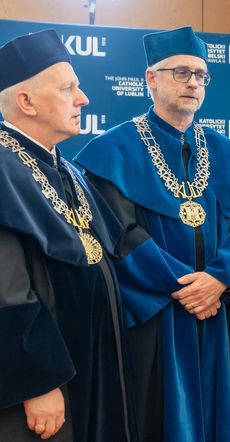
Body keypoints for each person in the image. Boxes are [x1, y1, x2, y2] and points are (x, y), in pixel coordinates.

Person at [74, 26, 230, 442]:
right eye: (181, 72)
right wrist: (186, 289)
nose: (193, 82)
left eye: (201, 75)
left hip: (217, 312)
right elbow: (120, 234)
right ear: (151, 79)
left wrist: (218, 280)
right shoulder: (114, 151)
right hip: (155, 318)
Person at [0, 30, 131, 441]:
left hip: (89, 372)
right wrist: (38, 381)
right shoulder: (3, 169)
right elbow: (7, 290)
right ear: (26, 102)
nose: (83, 98)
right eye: (68, 88)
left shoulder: (68, 170)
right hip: (40, 386)